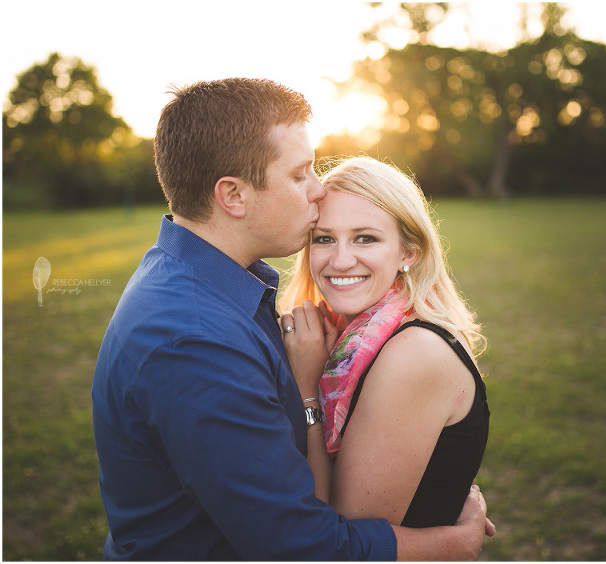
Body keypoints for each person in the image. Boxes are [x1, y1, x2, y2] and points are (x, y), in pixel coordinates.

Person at [91, 78, 493, 561]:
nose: (317, 188)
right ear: (233, 196)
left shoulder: (215, 288)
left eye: (365, 238)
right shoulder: (195, 339)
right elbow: (301, 546)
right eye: (300, 173)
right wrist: (455, 542)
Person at [279, 156, 491, 529]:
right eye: (324, 238)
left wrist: (308, 388)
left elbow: (346, 538)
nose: (341, 260)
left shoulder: (415, 352)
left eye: (366, 238)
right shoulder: (348, 340)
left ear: (409, 253)